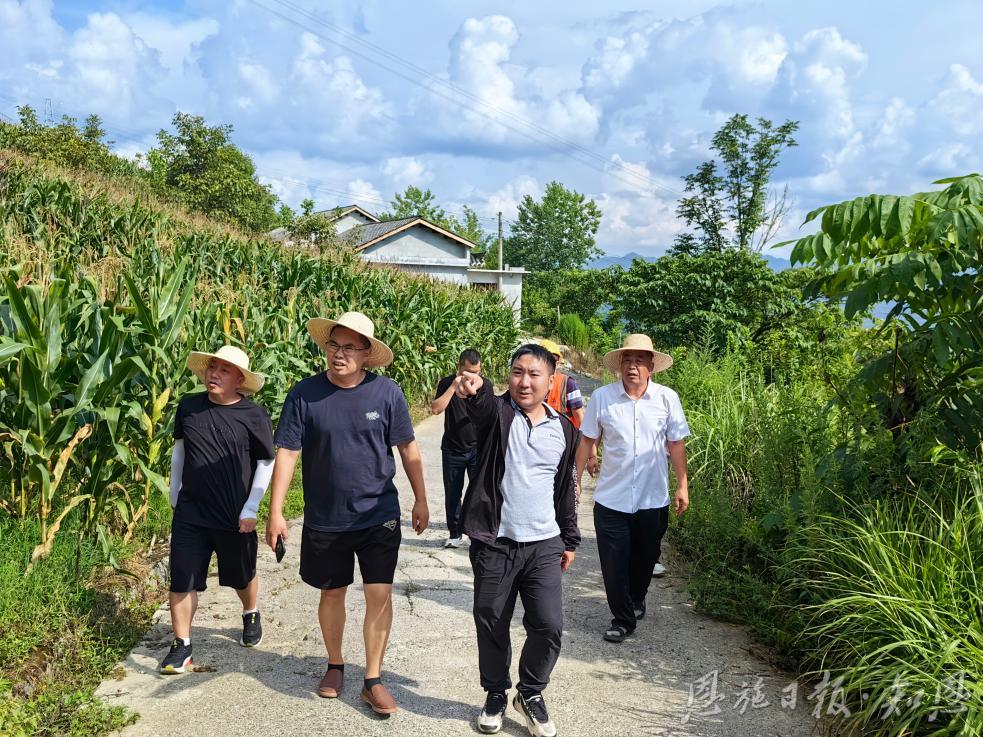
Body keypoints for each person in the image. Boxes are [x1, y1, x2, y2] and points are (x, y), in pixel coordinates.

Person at [265, 311, 429, 716]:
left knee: (379, 592)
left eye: (349, 348)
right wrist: (276, 511)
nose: (339, 354)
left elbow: (408, 449)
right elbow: (286, 452)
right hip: (326, 516)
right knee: (332, 591)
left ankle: (372, 679)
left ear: (366, 353)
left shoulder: (386, 393)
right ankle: (335, 664)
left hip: (379, 514)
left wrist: (421, 499)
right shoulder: (304, 394)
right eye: (333, 346)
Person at [454, 343, 580, 737]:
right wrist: (475, 387)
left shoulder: (563, 429)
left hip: (544, 543)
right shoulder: (498, 414)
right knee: (491, 620)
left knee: (548, 624)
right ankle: (495, 693)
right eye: (517, 372)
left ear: (551, 379)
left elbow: (566, 489)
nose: (524, 382)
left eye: (533, 374)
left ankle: (530, 693)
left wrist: (570, 539)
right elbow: (481, 407)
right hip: (496, 540)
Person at [160, 346, 275, 674]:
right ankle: (181, 646)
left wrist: (251, 507)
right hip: (191, 511)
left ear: (240, 379)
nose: (214, 374)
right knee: (182, 578)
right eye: (212, 367)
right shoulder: (189, 407)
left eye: (224, 370)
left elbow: (266, 462)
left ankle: (250, 611)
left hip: (235, 513)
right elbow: (179, 451)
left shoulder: (253, 415)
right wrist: (174, 492)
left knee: (242, 574)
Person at [575, 334, 690, 644]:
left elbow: (676, 444)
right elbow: (587, 440)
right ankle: (622, 619)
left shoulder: (667, 399)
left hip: (653, 498)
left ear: (651, 367)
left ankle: (636, 599)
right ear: (620, 366)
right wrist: (576, 480)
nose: (633, 367)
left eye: (640, 361)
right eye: (628, 360)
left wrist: (682, 486)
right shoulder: (602, 398)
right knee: (613, 562)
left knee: (645, 557)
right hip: (611, 498)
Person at [431, 348, 492, 548]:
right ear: (459, 368)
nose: (472, 376)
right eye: (467, 371)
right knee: (453, 493)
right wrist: (453, 387)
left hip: (477, 449)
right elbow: (436, 409)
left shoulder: (485, 386)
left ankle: (476, 533)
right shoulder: (446, 383)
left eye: (476, 372)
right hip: (452, 449)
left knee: (478, 493)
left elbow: (491, 414)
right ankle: (455, 534)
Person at [538, 339, 584, 429]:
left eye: (553, 359)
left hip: (563, 438)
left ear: (558, 363)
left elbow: (579, 419)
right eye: (545, 358)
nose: (549, 363)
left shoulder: (568, 384)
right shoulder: (529, 383)